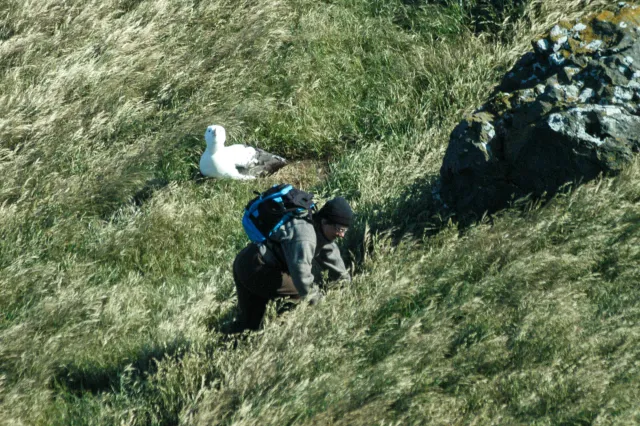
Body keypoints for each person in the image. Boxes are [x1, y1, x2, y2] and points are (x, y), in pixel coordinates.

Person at [231, 196, 353, 331]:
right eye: (339, 229)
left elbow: (336, 265)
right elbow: (302, 280)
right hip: (256, 267)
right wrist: (322, 306)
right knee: (299, 294)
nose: (341, 235)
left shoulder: (320, 229)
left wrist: (349, 292)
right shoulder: (305, 238)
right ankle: (289, 332)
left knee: (249, 325)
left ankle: (233, 344)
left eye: (344, 230)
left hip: (247, 260)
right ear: (325, 221)